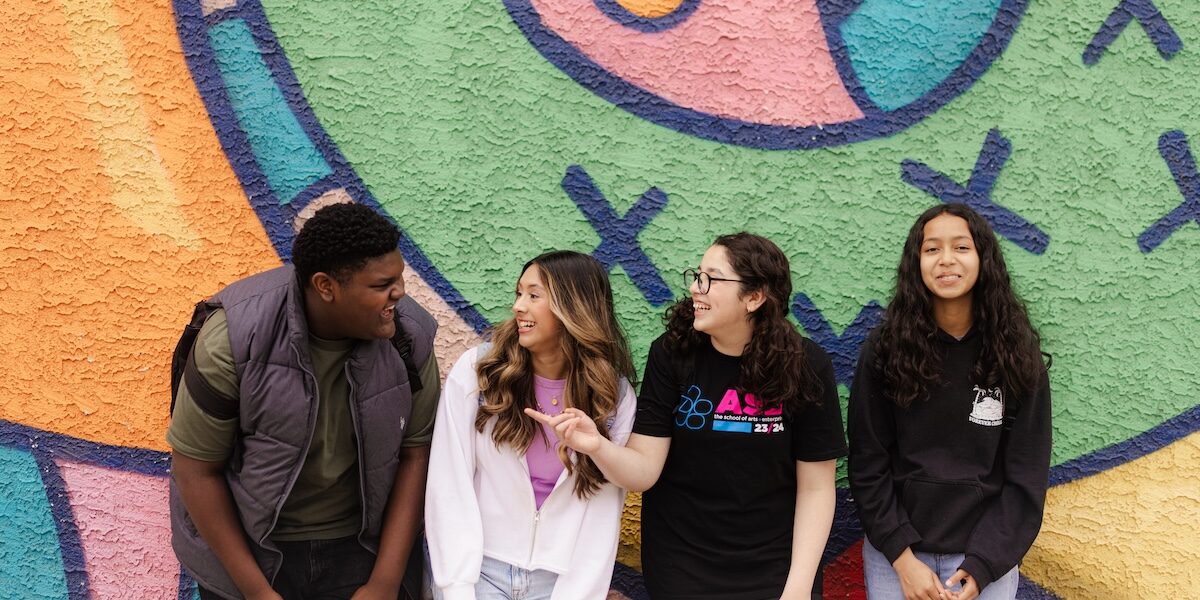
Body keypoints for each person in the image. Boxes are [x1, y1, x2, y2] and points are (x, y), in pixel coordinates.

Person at [537, 233, 846, 600]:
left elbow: (816, 487)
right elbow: (644, 471)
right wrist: (597, 446)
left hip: (773, 570)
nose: (696, 289)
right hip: (680, 566)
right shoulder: (672, 355)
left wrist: (798, 586)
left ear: (754, 297)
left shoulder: (806, 364)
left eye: (711, 279)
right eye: (697, 276)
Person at [167, 202, 440, 600]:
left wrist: (384, 582)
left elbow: (417, 455)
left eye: (399, 279)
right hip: (252, 552)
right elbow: (196, 471)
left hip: (361, 551)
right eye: (382, 285)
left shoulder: (409, 336)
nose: (399, 294)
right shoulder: (233, 338)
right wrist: (257, 592)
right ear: (326, 286)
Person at [847, 203, 1052, 600]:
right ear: (916, 263)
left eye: (961, 247)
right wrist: (902, 558)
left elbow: (1026, 478)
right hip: (897, 557)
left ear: (983, 259)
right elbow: (867, 463)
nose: (946, 260)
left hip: (984, 559)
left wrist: (983, 565)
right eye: (931, 249)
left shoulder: (1015, 355)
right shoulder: (886, 351)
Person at [425, 250, 638, 600]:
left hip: (560, 581)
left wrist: (580, 593)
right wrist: (457, 587)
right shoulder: (482, 372)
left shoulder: (611, 397)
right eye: (518, 293)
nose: (518, 306)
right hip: (479, 573)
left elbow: (603, 508)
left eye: (534, 295)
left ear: (574, 307)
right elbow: (449, 481)